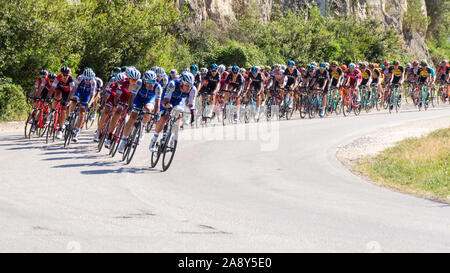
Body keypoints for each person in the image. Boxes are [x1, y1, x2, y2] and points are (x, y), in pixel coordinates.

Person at [149, 72, 196, 152]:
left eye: (190, 85)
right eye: (187, 85)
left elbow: (191, 104)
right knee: (165, 117)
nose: (189, 87)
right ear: (181, 83)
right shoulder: (172, 84)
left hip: (178, 100)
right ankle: (154, 138)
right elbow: (165, 101)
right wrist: (166, 105)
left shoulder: (192, 89)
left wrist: (192, 114)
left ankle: (173, 137)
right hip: (167, 98)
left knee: (179, 114)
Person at [117, 70, 162, 153]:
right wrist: (130, 108)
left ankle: (143, 126)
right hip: (138, 99)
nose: (151, 83)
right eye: (148, 81)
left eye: (153, 81)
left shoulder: (158, 87)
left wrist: (156, 115)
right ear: (144, 81)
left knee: (148, 110)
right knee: (132, 118)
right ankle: (123, 140)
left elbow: (157, 103)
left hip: (149, 100)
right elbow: (132, 96)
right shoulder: (139, 83)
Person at [104, 67, 141, 148]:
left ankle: (128, 136)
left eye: (136, 80)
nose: (133, 82)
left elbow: (137, 98)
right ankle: (110, 135)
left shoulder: (139, 84)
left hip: (133, 99)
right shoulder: (123, 82)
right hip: (123, 97)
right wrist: (116, 104)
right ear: (128, 78)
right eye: (132, 80)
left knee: (132, 117)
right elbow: (117, 96)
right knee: (117, 112)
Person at [48, 67, 77, 139]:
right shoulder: (58, 78)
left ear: (69, 75)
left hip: (69, 93)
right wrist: (48, 97)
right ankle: (53, 110)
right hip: (60, 89)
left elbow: (72, 93)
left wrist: (68, 102)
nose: (64, 77)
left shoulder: (71, 80)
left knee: (64, 108)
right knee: (57, 97)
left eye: (66, 75)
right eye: (63, 75)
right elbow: (52, 88)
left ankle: (61, 128)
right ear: (61, 74)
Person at [70, 69, 97, 142]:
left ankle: (77, 132)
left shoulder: (93, 82)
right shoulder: (80, 78)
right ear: (83, 76)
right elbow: (74, 89)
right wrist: (71, 98)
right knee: (74, 100)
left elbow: (92, 96)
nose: (87, 80)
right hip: (79, 91)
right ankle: (70, 114)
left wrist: (89, 104)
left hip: (86, 95)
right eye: (86, 79)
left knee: (82, 113)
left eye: (89, 79)